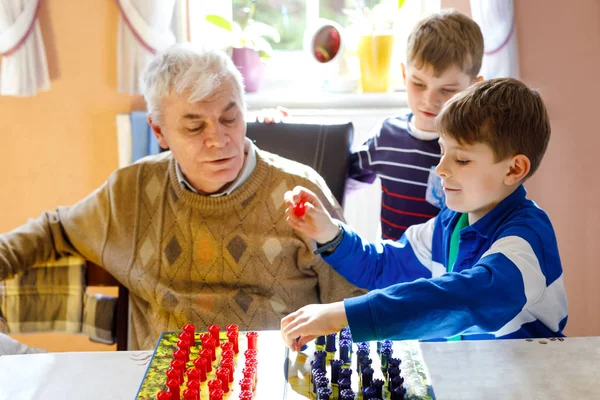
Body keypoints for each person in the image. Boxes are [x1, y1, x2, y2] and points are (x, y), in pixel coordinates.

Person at [0, 43, 364, 351]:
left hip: (274, 376)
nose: (218, 140)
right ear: (159, 131)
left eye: (229, 118)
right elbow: (56, 229)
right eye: (194, 126)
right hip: (168, 380)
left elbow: (355, 303)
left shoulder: (300, 191)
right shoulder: (132, 192)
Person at [281, 78, 568, 350]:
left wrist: (342, 316)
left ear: (514, 169)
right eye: (442, 152)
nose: (441, 169)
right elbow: (382, 265)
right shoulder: (450, 223)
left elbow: (464, 298)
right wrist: (328, 232)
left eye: (462, 159)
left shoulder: (528, 239)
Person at [348, 10, 484, 241]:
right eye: (419, 84)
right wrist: (277, 128)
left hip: (448, 273)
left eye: (448, 89)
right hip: (392, 269)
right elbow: (332, 181)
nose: (430, 100)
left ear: (474, 87)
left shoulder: (474, 149)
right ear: (403, 74)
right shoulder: (385, 137)